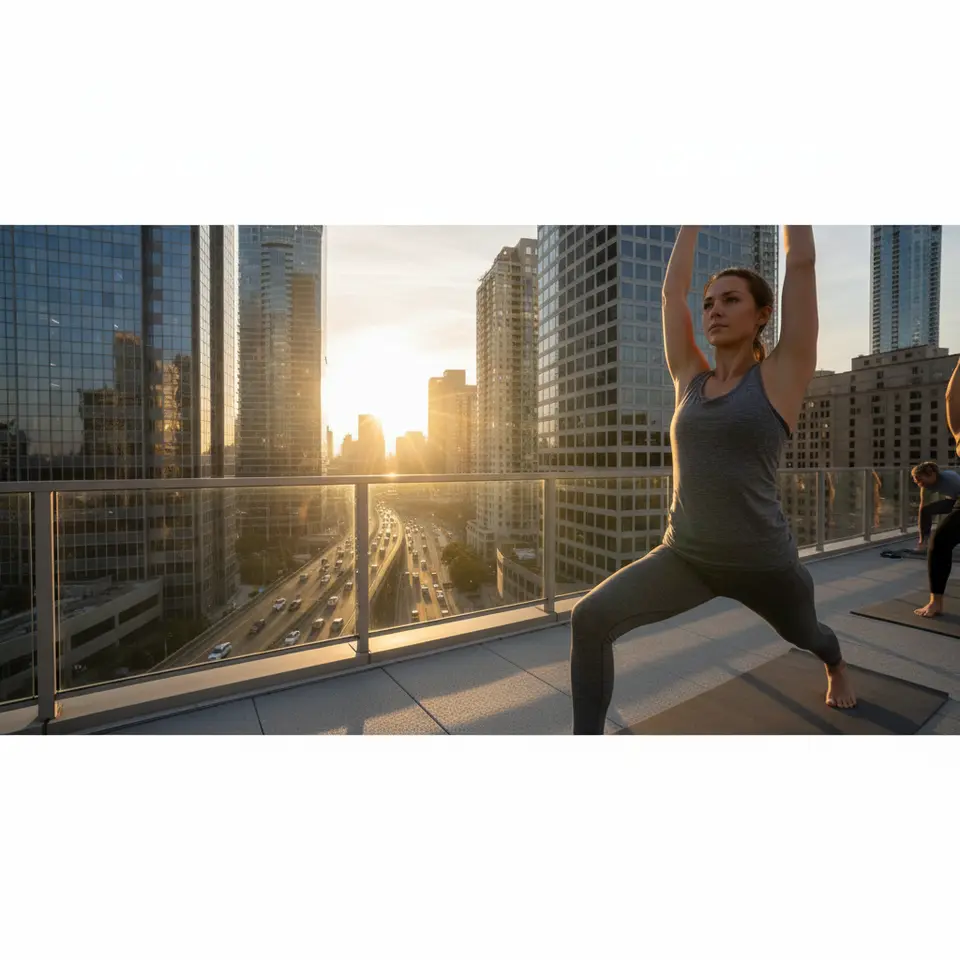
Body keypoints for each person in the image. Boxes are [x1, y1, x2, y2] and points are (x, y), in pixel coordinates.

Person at [569, 225, 857, 735]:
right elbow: (671, 293)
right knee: (589, 617)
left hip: (764, 563)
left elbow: (802, 264)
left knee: (809, 634)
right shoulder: (689, 378)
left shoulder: (782, 375)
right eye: (709, 304)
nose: (714, 310)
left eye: (730, 300)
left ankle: (835, 663)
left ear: (762, 315)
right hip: (686, 557)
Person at [913, 367, 960, 617]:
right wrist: (923, 536)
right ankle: (936, 602)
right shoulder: (930, 486)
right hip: (955, 502)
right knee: (939, 540)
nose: (921, 484)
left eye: (922, 480)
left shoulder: (950, 478)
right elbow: (924, 508)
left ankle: (936, 604)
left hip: (957, 499)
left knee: (942, 541)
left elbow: (951, 398)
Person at [911, 461, 960, 551]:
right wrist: (922, 539)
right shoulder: (925, 485)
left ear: (932, 474)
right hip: (952, 500)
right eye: (917, 481)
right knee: (925, 510)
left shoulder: (950, 479)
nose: (920, 484)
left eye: (920, 480)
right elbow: (923, 505)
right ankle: (924, 542)